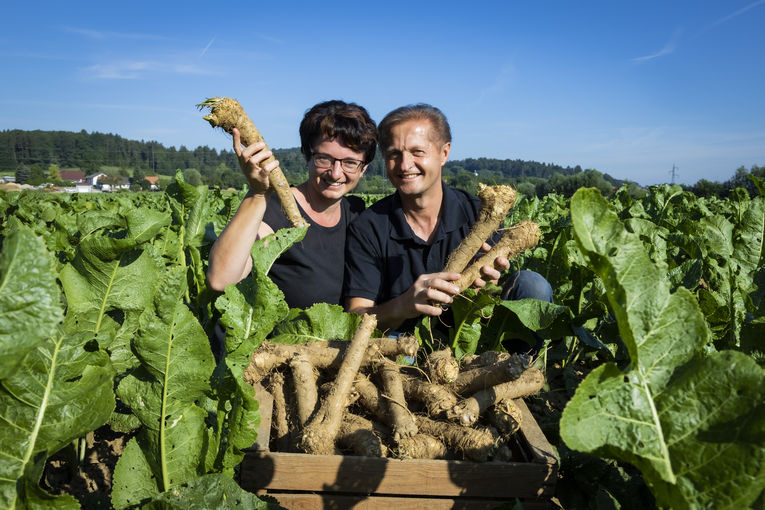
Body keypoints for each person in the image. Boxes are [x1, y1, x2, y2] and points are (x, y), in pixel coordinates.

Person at [344, 104, 552, 345]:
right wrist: (404, 304)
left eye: (417, 152)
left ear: (444, 153)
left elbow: (490, 292)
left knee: (532, 285)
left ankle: (518, 370)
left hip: (470, 338)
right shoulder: (369, 227)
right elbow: (354, 316)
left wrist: (486, 288)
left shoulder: (480, 213)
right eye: (394, 154)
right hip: (406, 344)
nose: (404, 164)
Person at [207, 100, 377, 309]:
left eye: (350, 162)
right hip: (276, 342)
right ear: (307, 155)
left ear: (364, 168)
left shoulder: (358, 214)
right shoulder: (274, 212)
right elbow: (221, 280)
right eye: (324, 159)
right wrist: (258, 193)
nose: (335, 173)